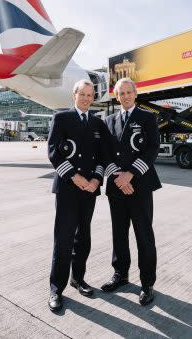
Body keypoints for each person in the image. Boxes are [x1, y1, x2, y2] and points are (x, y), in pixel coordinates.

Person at [47, 79, 109, 312]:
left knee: (83, 237)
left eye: (89, 95)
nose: (85, 98)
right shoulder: (61, 118)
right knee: (63, 239)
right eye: (81, 94)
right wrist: (75, 177)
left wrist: (96, 179)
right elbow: (53, 152)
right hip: (68, 187)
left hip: (89, 190)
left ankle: (78, 278)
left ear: (93, 98)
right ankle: (56, 288)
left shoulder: (97, 123)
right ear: (74, 95)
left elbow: (103, 156)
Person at [102, 77, 161, 306]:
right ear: (116, 97)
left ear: (135, 94)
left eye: (129, 92)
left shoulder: (147, 117)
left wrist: (131, 175)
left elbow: (152, 147)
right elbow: (104, 152)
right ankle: (120, 274)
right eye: (121, 93)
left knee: (143, 234)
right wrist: (118, 176)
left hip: (140, 185)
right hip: (117, 186)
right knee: (119, 233)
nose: (125, 96)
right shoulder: (108, 121)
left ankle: (147, 283)